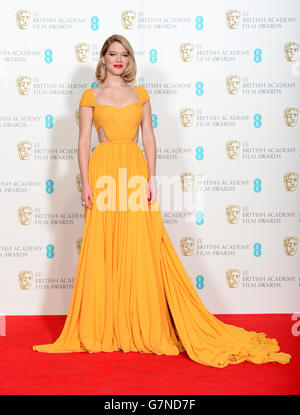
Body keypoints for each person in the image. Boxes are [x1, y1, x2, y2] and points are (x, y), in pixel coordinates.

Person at [33, 34, 291, 368]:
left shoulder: (140, 94)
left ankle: (142, 321)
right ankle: (105, 324)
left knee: (140, 244)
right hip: (103, 172)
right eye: (112, 54)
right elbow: (83, 142)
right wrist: (85, 183)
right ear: (103, 58)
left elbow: (150, 138)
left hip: (135, 171)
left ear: (129, 59)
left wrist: (152, 178)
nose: (118, 60)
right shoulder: (90, 96)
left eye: (124, 54)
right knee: (104, 245)